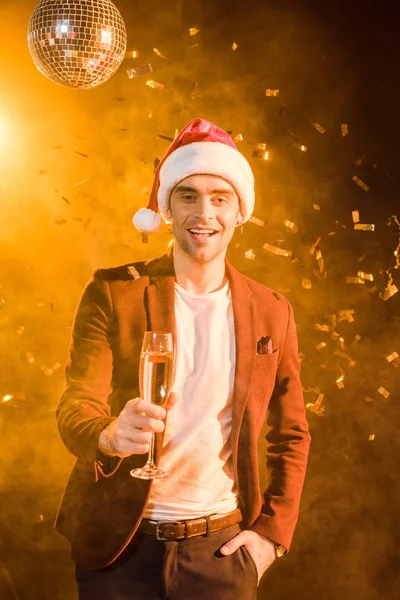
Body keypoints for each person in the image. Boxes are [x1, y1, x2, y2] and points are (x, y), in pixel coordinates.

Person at [55, 118, 311, 600]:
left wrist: (270, 538)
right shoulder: (113, 292)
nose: (204, 212)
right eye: (188, 195)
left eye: (220, 197)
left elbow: (292, 433)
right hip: (119, 551)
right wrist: (109, 435)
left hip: (220, 555)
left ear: (240, 212)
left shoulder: (273, 311)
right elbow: (75, 408)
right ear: (166, 208)